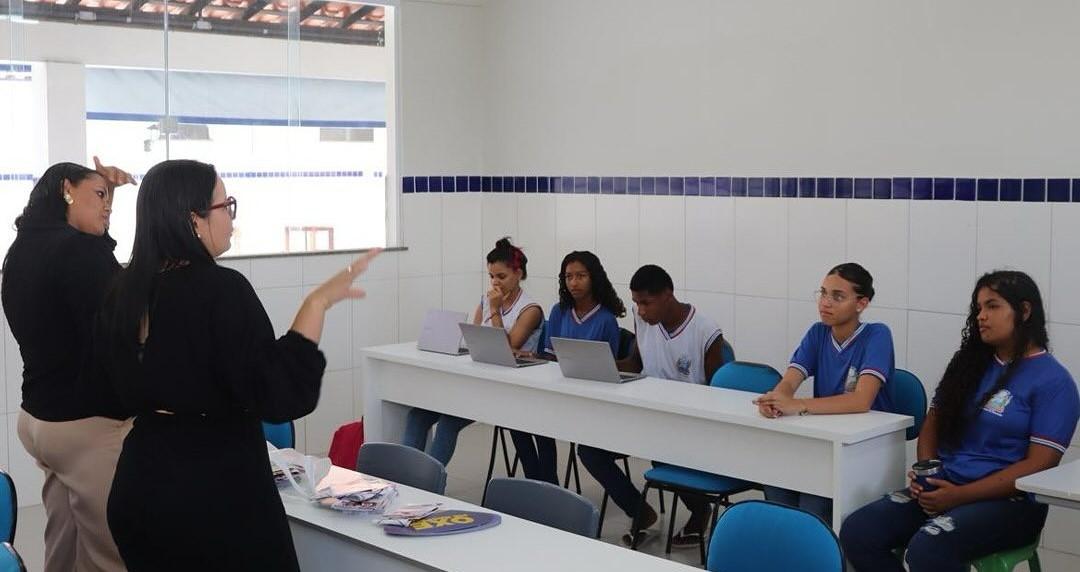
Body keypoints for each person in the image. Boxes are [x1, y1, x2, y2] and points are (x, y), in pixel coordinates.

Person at [96, 159, 381, 570]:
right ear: (193, 219)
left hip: (140, 483)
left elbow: (115, 390)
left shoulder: (122, 291)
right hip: (213, 494)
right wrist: (316, 304)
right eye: (225, 205)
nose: (231, 218)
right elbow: (278, 395)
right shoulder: (220, 289)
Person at [840, 271, 1079, 572]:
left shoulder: (1054, 382)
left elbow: (1039, 465)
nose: (981, 316)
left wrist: (960, 496)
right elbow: (933, 423)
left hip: (1010, 503)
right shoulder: (969, 364)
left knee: (927, 549)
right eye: (978, 308)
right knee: (859, 532)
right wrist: (928, 475)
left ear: (1024, 311)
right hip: (948, 485)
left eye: (992, 306)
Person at [2, 158, 134, 572]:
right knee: (112, 554)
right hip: (85, 428)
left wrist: (104, 206)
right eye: (100, 194)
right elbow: (119, 323)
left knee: (64, 544)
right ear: (66, 189)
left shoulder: (21, 249)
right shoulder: (77, 251)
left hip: (39, 422)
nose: (108, 205)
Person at [578, 264, 726, 547]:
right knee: (590, 450)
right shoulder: (643, 319)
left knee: (661, 451)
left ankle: (700, 511)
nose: (641, 311)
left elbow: (716, 394)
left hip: (686, 423)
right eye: (636, 303)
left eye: (646, 303)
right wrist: (598, 364)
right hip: (645, 415)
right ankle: (640, 512)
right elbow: (636, 363)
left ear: (668, 295)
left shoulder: (706, 331)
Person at [754, 262, 895, 521]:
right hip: (824, 440)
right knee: (775, 481)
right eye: (823, 293)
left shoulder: (877, 335)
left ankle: (814, 546)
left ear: (861, 304)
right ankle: (783, 545)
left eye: (838, 296)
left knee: (813, 500)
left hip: (863, 446)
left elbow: (861, 401)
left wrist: (798, 405)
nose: (825, 303)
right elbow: (790, 381)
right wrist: (776, 399)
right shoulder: (818, 333)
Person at [402, 238, 543, 466]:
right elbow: (475, 339)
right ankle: (404, 476)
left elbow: (507, 349)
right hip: (478, 380)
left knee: (448, 422)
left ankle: (429, 479)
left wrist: (495, 310)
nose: (495, 282)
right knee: (417, 415)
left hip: (507, 389)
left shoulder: (530, 309)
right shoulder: (486, 301)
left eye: (502, 276)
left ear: (518, 274)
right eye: (491, 276)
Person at [508, 251, 624, 484]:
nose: (574, 282)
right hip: (558, 390)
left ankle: (548, 483)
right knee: (517, 420)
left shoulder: (606, 319)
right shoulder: (559, 311)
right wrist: (532, 356)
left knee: (541, 423)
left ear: (594, 278)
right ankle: (537, 482)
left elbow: (607, 369)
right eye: (568, 277)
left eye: (581, 276)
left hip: (590, 398)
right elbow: (551, 357)